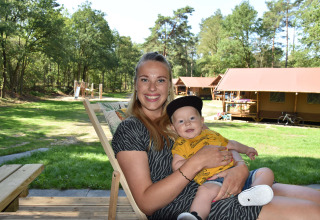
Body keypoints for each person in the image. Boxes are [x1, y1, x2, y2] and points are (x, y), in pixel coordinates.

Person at [112, 52, 320, 220]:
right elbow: (146, 204)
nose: (152, 88)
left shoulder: (179, 120)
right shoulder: (131, 129)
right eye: (145, 79)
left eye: (160, 80)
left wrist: (240, 167)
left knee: (316, 199)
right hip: (191, 205)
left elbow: (216, 143)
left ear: (169, 86)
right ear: (136, 84)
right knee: (313, 213)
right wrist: (197, 162)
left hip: (221, 180)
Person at [166, 96, 274, 220]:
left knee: (265, 171)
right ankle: (196, 216)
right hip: (214, 181)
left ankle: (255, 192)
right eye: (181, 121)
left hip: (237, 174)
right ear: (173, 128)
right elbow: (176, 166)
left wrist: (247, 149)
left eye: (192, 118)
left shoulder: (211, 135)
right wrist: (198, 159)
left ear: (202, 121)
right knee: (204, 192)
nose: (187, 123)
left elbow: (231, 144)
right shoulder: (181, 145)